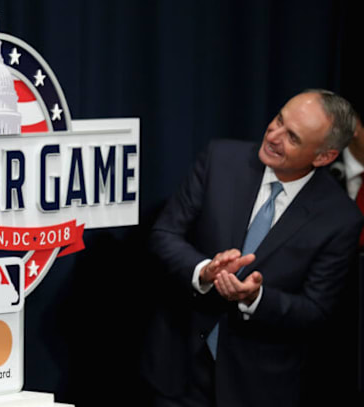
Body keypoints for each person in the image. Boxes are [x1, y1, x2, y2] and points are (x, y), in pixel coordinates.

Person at [140, 89, 363, 407]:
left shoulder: (340, 218)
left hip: (257, 387)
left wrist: (255, 298)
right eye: (278, 120)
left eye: (293, 138)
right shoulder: (220, 159)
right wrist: (204, 271)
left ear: (323, 157)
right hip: (179, 370)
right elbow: (164, 234)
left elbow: (316, 310)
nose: (273, 135)